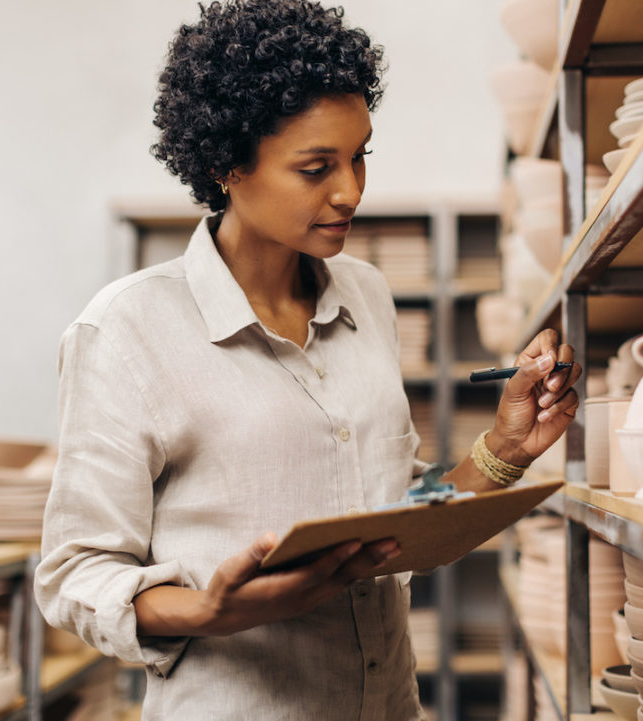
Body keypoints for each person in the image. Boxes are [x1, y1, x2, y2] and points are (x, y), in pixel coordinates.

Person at [35, 1, 581, 719]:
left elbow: (393, 516)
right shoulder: (127, 329)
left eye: (360, 156)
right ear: (223, 164)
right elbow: (75, 574)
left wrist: (507, 447)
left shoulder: (368, 296)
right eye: (316, 167)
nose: (351, 191)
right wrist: (211, 609)